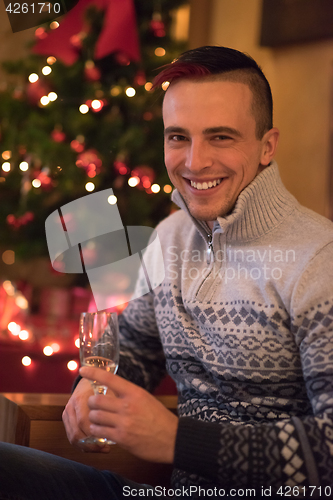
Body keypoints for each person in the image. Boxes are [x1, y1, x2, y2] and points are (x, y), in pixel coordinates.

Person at [1, 45, 333, 499]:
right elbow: (134, 344)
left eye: (221, 137)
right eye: (178, 137)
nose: (194, 162)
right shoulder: (171, 236)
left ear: (267, 146)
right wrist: (90, 386)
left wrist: (180, 442)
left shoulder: (320, 261)